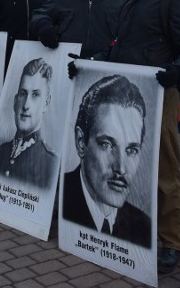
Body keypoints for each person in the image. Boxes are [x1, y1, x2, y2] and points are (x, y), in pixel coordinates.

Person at [90, 0, 180, 272]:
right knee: (130, 168)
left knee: (165, 170)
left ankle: (172, 242)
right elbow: (118, 49)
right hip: (129, 97)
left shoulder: (170, 2)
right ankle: (137, 228)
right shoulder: (130, 3)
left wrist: (178, 70)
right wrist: (91, 62)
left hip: (160, 96)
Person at [63, 74, 151, 248]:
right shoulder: (58, 201)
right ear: (81, 142)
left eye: (131, 150)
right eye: (107, 144)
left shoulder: (143, 228)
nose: (121, 168)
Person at [0, 58, 57, 188]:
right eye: (23, 94)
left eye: (35, 95)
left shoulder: (51, 163)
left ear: (46, 103)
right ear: (15, 101)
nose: (26, 105)